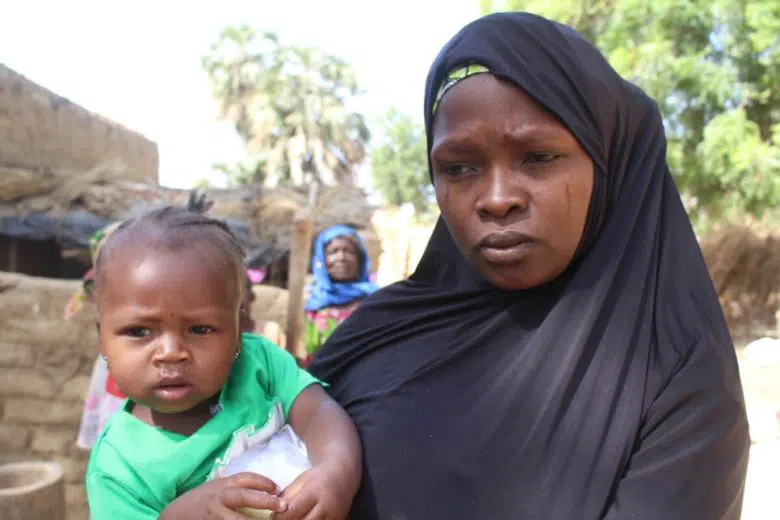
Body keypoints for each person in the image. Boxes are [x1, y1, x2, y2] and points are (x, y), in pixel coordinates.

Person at [303, 12, 749, 520]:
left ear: (609, 164)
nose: (496, 199)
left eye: (538, 157)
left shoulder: (678, 375)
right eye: (459, 167)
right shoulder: (379, 333)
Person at [84, 206, 361, 520]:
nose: (172, 352)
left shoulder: (259, 362)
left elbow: (319, 412)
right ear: (102, 339)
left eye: (200, 329)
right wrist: (179, 515)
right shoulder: (118, 467)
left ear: (239, 329)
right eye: (139, 331)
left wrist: (336, 472)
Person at [303, 225, 378, 364]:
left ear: (360, 259)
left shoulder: (375, 300)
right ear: (322, 259)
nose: (341, 257)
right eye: (333, 252)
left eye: (348, 251)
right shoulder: (314, 303)